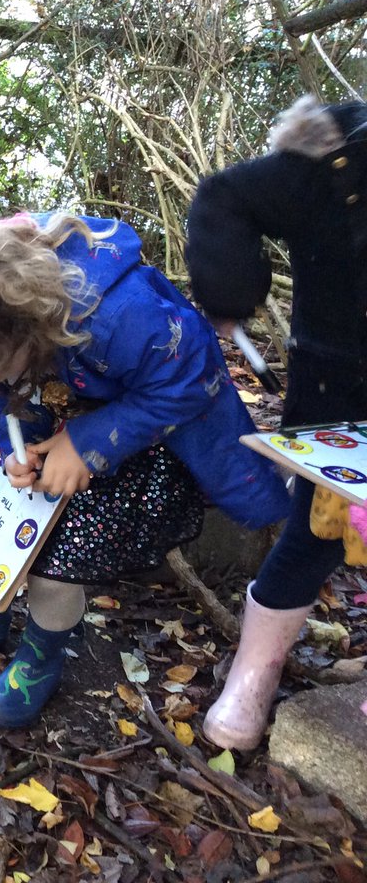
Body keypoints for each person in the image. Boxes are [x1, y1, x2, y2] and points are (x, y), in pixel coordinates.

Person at [0, 213, 290, 728]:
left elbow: (192, 381)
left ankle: (42, 653)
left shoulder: (123, 314)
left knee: (56, 563)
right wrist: (18, 442)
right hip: (61, 409)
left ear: (21, 325)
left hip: (144, 439)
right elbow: (8, 391)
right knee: (3, 525)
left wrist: (87, 443)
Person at [186, 95, 367, 750]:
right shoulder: (341, 149)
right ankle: (254, 674)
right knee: (318, 528)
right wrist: (230, 291)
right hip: (339, 386)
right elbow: (226, 195)